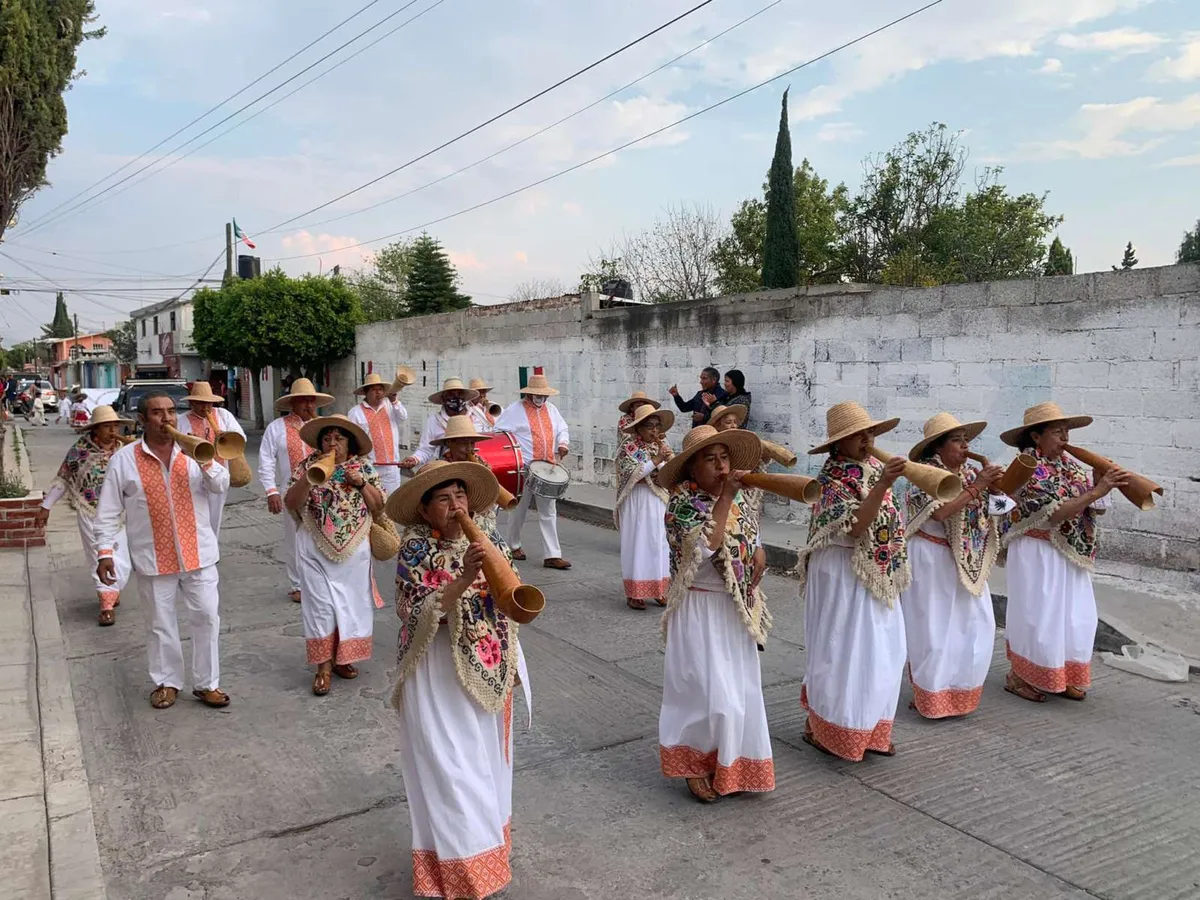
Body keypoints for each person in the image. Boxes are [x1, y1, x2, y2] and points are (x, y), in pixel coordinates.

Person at [389, 460, 531, 900]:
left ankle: (485, 854)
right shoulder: (413, 550)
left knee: (486, 763)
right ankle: (462, 875)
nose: (455, 506)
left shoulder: (488, 538)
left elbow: (512, 597)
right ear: (426, 509)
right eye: (444, 499)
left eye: (460, 496)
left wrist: (494, 572)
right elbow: (412, 611)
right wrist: (467, 576)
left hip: (489, 661)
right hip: (437, 670)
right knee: (450, 767)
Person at [656, 425, 772, 803]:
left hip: (733, 607)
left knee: (737, 691)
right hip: (699, 606)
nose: (721, 467)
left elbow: (747, 537)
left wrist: (759, 552)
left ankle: (732, 761)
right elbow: (706, 546)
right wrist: (727, 497)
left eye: (725, 458)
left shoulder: (736, 499)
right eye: (711, 460)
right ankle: (693, 763)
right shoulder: (681, 506)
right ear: (691, 469)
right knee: (703, 692)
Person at [93, 392, 230, 710]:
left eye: (170, 411)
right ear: (142, 419)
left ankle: (207, 684)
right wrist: (104, 552)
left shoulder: (193, 451)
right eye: (157, 413)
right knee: (159, 623)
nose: (166, 418)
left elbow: (220, 485)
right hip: (153, 557)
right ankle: (167, 682)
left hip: (199, 555)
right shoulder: (124, 460)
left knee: (207, 618)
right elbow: (109, 511)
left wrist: (206, 460)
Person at [797, 401, 909, 761]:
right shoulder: (830, 479)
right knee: (843, 651)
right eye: (857, 435)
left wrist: (886, 480)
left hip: (878, 570)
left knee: (883, 651)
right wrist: (886, 483)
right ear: (837, 445)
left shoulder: (875, 468)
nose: (867, 439)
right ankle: (829, 728)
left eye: (870, 432)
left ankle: (872, 726)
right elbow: (857, 525)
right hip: (842, 569)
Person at [1000, 402, 1126, 704]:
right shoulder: (1025, 467)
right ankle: (1019, 676)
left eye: (1066, 431)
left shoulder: (1069, 465)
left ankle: (1060, 674)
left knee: (1075, 617)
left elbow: (1093, 509)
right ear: (1035, 437)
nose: (1065, 438)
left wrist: (1097, 482)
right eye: (1058, 432)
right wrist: (1097, 490)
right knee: (1038, 616)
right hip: (1036, 550)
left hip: (1070, 551)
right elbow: (1054, 514)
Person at [900, 413, 1010, 719]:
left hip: (968, 558)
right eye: (957, 440)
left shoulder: (974, 472)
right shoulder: (923, 473)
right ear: (937, 447)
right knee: (933, 629)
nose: (965, 446)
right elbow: (939, 514)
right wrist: (977, 488)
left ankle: (959, 691)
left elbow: (1001, 513)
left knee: (975, 626)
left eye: (966, 440)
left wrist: (998, 489)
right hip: (931, 557)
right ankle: (929, 694)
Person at [285, 414, 385, 696]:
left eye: (338, 438)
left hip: (354, 551)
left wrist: (362, 484)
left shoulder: (362, 467)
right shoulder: (306, 465)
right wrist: (309, 478)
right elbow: (291, 503)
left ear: (349, 443)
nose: (332, 444)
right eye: (327, 438)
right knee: (320, 607)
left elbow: (379, 507)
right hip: (313, 546)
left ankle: (344, 659)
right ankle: (323, 667)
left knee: (352, 605)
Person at [36, 406, 134, 626]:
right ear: (96, 429)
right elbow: (63, 479)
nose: (112, 430)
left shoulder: (125, 450)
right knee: (99, 556)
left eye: (114, 425)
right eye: (107, 426)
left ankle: (112, 588)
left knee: (122, 561)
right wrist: (46, 506)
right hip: (90, 512)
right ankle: (106, 604)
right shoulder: (80, 451)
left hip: (121, 514)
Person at [258, 378, 334, 603]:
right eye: (302, 401)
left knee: (325, 535)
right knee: (295, 540)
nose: (307, 405)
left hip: (325, 490)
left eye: (311, 400)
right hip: (291, 491)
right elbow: (266, 460)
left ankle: (324, 581)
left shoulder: (325, 428)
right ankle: (298, 584)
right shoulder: (276, 428)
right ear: (292, 403)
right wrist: (271, 491)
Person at [494, 373, 571, 569]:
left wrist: (563, 444)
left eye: (543, 395)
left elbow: (563, 428)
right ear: (529, 393)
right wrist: (512, 455)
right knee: (519, 509)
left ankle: (552, 555)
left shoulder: (551, 410)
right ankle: (513, 545)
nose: (540, 398)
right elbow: (499, 431)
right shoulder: (515, 410)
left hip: (547, 468)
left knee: (549, 511)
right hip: (523, 468)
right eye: (537, 394)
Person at [614, 405, 674, 610]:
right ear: (638, 428)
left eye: (657, 426)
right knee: (637, 544)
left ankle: (660, 589)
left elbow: (669, 474)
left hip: (658, 500)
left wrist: (668, 461)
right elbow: (632, 475)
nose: (654, 431)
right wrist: (657, 460)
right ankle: (635, 593)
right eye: (649, 426)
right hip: (636, 501)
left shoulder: (661, 445)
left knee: (659, 543)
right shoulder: (629, 447)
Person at [176, 380, 247, 534]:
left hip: (218, 473)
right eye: (201, 403)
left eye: (208, 403)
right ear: (192, 403)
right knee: (195, 515)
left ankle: (212, 549)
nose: (205, 407)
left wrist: (226, 435)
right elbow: (175, 448)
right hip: (191, 475)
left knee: (215, 515)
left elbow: (241, 439)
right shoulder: (181, 420)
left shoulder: (224, 415)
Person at [400, 377, 486, 471]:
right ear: (443, 399)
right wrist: (415, 459)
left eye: (459, 393)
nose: (456, 397)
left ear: (464, 396)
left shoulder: (478, 414)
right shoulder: (434, 421)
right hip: (448, 470)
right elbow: (426, 449)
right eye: (451, 394)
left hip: (478, 466)